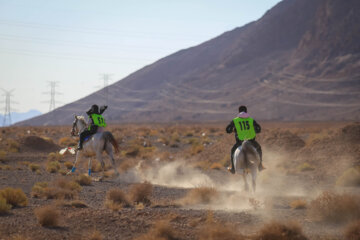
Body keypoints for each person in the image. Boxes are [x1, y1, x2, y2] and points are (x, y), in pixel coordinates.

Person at [226, 105, 264, 173]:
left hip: (240, 142)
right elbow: (259, 129)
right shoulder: (251, 120)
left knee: (232, 151)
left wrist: (232, 130)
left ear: (239, 111)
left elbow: (227, 130)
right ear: (246, 111)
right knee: (259, 149)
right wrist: (254, 130)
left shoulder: (235, 120)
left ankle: (233, 169)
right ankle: (260, 166)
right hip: (251, 141)